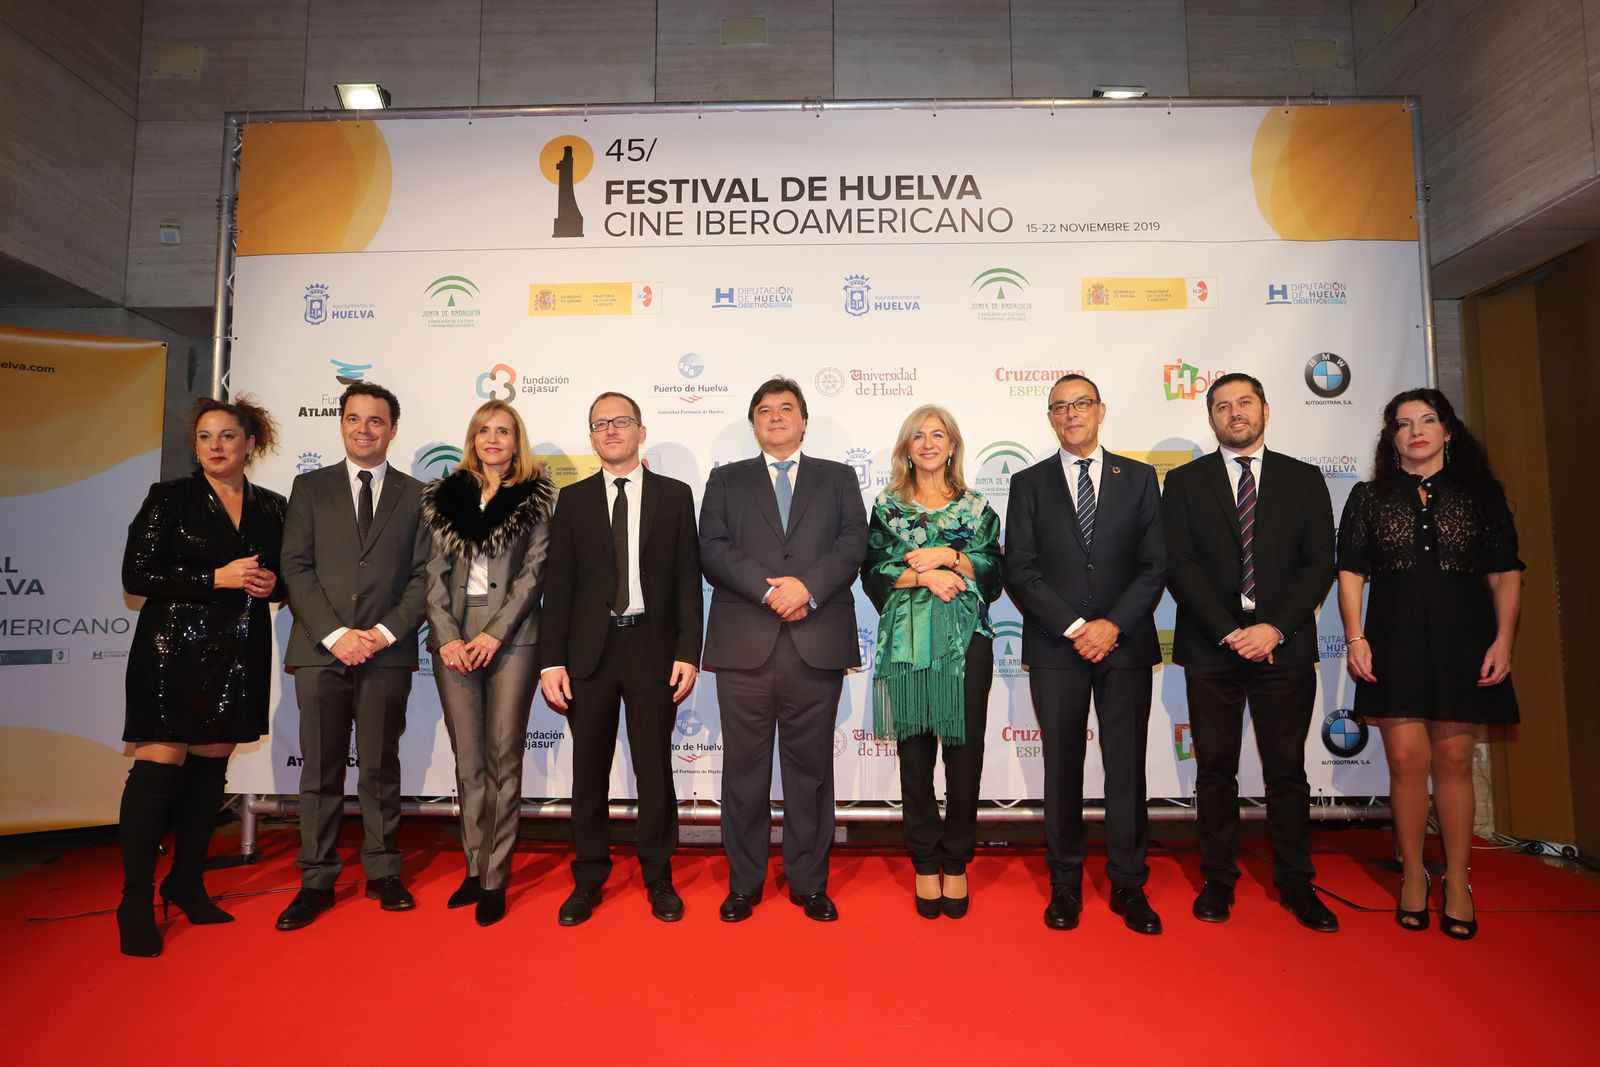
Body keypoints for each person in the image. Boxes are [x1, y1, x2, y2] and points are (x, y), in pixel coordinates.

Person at [1337, 388, 1521, 940]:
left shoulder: (1481, 496)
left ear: (1448, 431)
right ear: (1391, 439)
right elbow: (1350, 573)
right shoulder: (1368, 498)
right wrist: (1354, 637)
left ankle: (1459, 882)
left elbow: (1506, 573)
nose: (1415, 430)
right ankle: (1414, 874)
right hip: (1393, 641)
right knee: (1406, 759)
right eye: (1402, 423)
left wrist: (1504, 641)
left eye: (1427, 420)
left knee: (1456, 761)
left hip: (1465, 642)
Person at [1162, 372, 1339, 932]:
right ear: (1210, 417)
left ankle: (1295, 881)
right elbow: (1179, 564)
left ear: (1265, 408)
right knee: (1214, 769)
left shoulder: (1304, 479)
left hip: (1282, 648)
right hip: (1212, 648)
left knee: (1286, 771)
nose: (1234, 413)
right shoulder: (1186, 482)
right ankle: (1218, 877)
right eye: (1222, 406)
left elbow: (1319, 564)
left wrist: (1273, 629)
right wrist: (1229, 632)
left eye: (1244, 403)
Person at [116, 396, 286, 956]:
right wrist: (214, 577)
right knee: (156, 774)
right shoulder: (170, 498)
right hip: (170, 650)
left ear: (249, 444)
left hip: (237, 650)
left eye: (228, 437)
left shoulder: (272, 506)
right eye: (206, 437)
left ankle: (187, 881)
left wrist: (271, 586)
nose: (216, 447)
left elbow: (286, 576)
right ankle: (135, 901)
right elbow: (137, 574)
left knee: (209, 775)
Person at [701, 377, 868, 923]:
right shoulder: (725, 480)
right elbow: (713, 548)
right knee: (743, 773)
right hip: (745, 645)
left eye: (786, 409)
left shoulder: (838, 478)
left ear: (803, 420)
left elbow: (852, 544)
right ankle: (744, 883)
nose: (776, 417)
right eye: (765, 410)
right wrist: (772, 589)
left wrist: (807, 588)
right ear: (753, 423)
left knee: (811, 770)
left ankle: (809, 883)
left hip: (814, 643)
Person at [1004, 374, 1167, 934]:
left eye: (1081, 404)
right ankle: (1065, 882)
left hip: (1124, 646)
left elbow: (1155, 566)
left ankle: (1128, 883)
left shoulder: (1140, 478)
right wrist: (1077, 627)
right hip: (1056, 647)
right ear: (1050, 418)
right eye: (1060, 407)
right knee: (1062, 771)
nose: (1071, 414)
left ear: (1101, 410)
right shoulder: (1028, 484)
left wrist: (1112, 626)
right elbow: (1018, 570)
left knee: (1126, 770)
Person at [539, 392, 703, 925]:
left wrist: (687, 652)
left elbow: (686, 582)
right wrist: (551, 661)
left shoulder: (675, 497)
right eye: (600, 424)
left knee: (654, 769)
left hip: (652, 649)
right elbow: (557, 586)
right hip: (590, 652)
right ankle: (588, 875)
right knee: (588, 771)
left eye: (621, 421)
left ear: (641, 430)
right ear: (591, 437)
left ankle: (658, 875)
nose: (610, 430)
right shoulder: (574, 499)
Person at [275, 381, 430, 931]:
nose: (364, 430)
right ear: (341, 424)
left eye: (376, 421)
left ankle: (384, 869)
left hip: (386, 654)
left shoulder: (416, 495)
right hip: (321, 652)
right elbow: (295, 567)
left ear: (392, 429)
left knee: (381, 766)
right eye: (354, 419)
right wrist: (335, 634)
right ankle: (315, 879)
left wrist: (384, 632)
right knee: (319, 770)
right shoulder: (310, 487)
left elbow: (422, 576)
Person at [861, 405, 1001, 919]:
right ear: (905, 447)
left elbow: (993, 571)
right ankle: (924, 859)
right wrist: (924, 578)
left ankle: (958, 859)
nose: (927, 443)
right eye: (917, 436)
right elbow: (874, 571)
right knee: (914, 758)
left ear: (952, 445)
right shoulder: (886, 507)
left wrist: (948, 558)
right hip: (907, 642)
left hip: (967, 645)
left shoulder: (978, 507)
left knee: (965, 758)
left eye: (937, 435)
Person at [421, 399, 554, 927]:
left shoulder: (538, 497)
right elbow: (431, 576)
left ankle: (496, 877)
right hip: (453, 638)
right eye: (484, 431)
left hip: (513, 638)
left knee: (503, 759)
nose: (493, 439)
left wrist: (495, 635)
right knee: (468, 761)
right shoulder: (442, 497)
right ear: (472, 438)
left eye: (504, 431)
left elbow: (534, 574)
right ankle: (474, 868)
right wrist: (449, 637)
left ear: (516, 441)